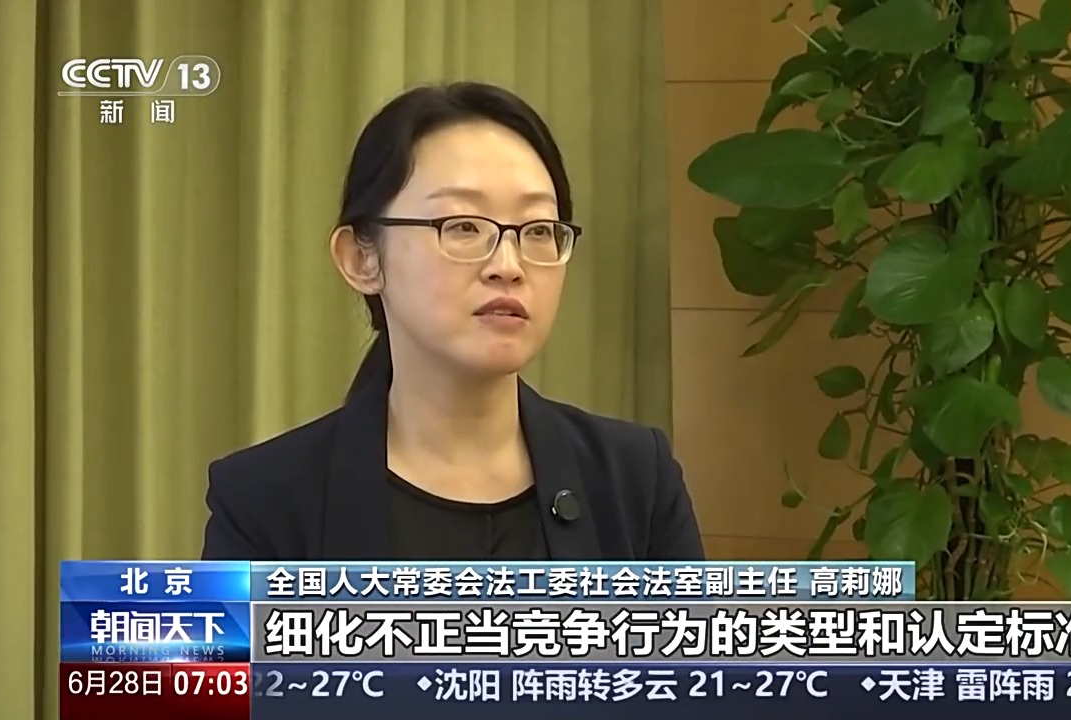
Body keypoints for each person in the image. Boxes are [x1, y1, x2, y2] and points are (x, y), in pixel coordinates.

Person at [201, 83, 704, 562]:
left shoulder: (636, 480)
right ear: (362, 258)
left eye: (538, 230)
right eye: (463, 226)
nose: (508, 264)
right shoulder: (264, 501)